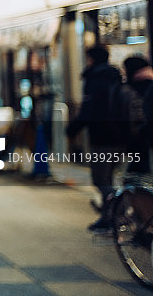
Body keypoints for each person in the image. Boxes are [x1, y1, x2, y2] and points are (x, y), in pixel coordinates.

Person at [66, 44, 122, 231]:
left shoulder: (95, 80)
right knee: (110, 177)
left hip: (102, 137)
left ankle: (112, 215)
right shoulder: (116, 77)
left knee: (101, 180)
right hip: (119, 137)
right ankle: (113, 212)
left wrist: (72, 129)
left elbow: (89, 111)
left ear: (92, 59)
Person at [111, 55, 153, 174]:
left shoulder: (133, 87)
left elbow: (137, 114)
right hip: (144, 136)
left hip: (140, 136)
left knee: (137, 172)